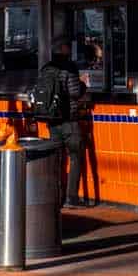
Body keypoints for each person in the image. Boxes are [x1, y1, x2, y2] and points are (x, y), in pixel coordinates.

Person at [34, 40, 92, 208]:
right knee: (75, 158)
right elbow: (74, 92)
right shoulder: (69, 67)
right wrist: (82, 84)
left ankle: (55, 197)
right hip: (69, 120)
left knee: (57, 160)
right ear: (64, 49)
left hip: (52, 120)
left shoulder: (46, 68)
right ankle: (71, 198)